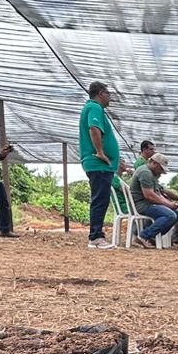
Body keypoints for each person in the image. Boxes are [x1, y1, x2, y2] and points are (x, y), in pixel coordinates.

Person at [80, 81, 120, 249]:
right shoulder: (95, 108)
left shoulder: (94, 108)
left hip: (100, 165)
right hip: (98, 164)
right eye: (108, 93)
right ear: (101, 93)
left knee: (100, 200)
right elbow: (94, 128)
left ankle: (96, 235)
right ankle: (95, 236)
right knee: (99, 200)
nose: (110, 97)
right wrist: (101, 152)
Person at [128, 153, 178, 248]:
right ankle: (143, 236)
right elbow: (149, 195)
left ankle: (151, 237)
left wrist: (171, 203)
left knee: (177, 213)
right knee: (170, 215)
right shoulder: (145, 172)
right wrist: (169, 205)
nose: (161, 172)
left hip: (148, 203)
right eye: (161, 169)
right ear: (154, 163)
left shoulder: (151, 173)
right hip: (141, 205)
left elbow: (159, 193)